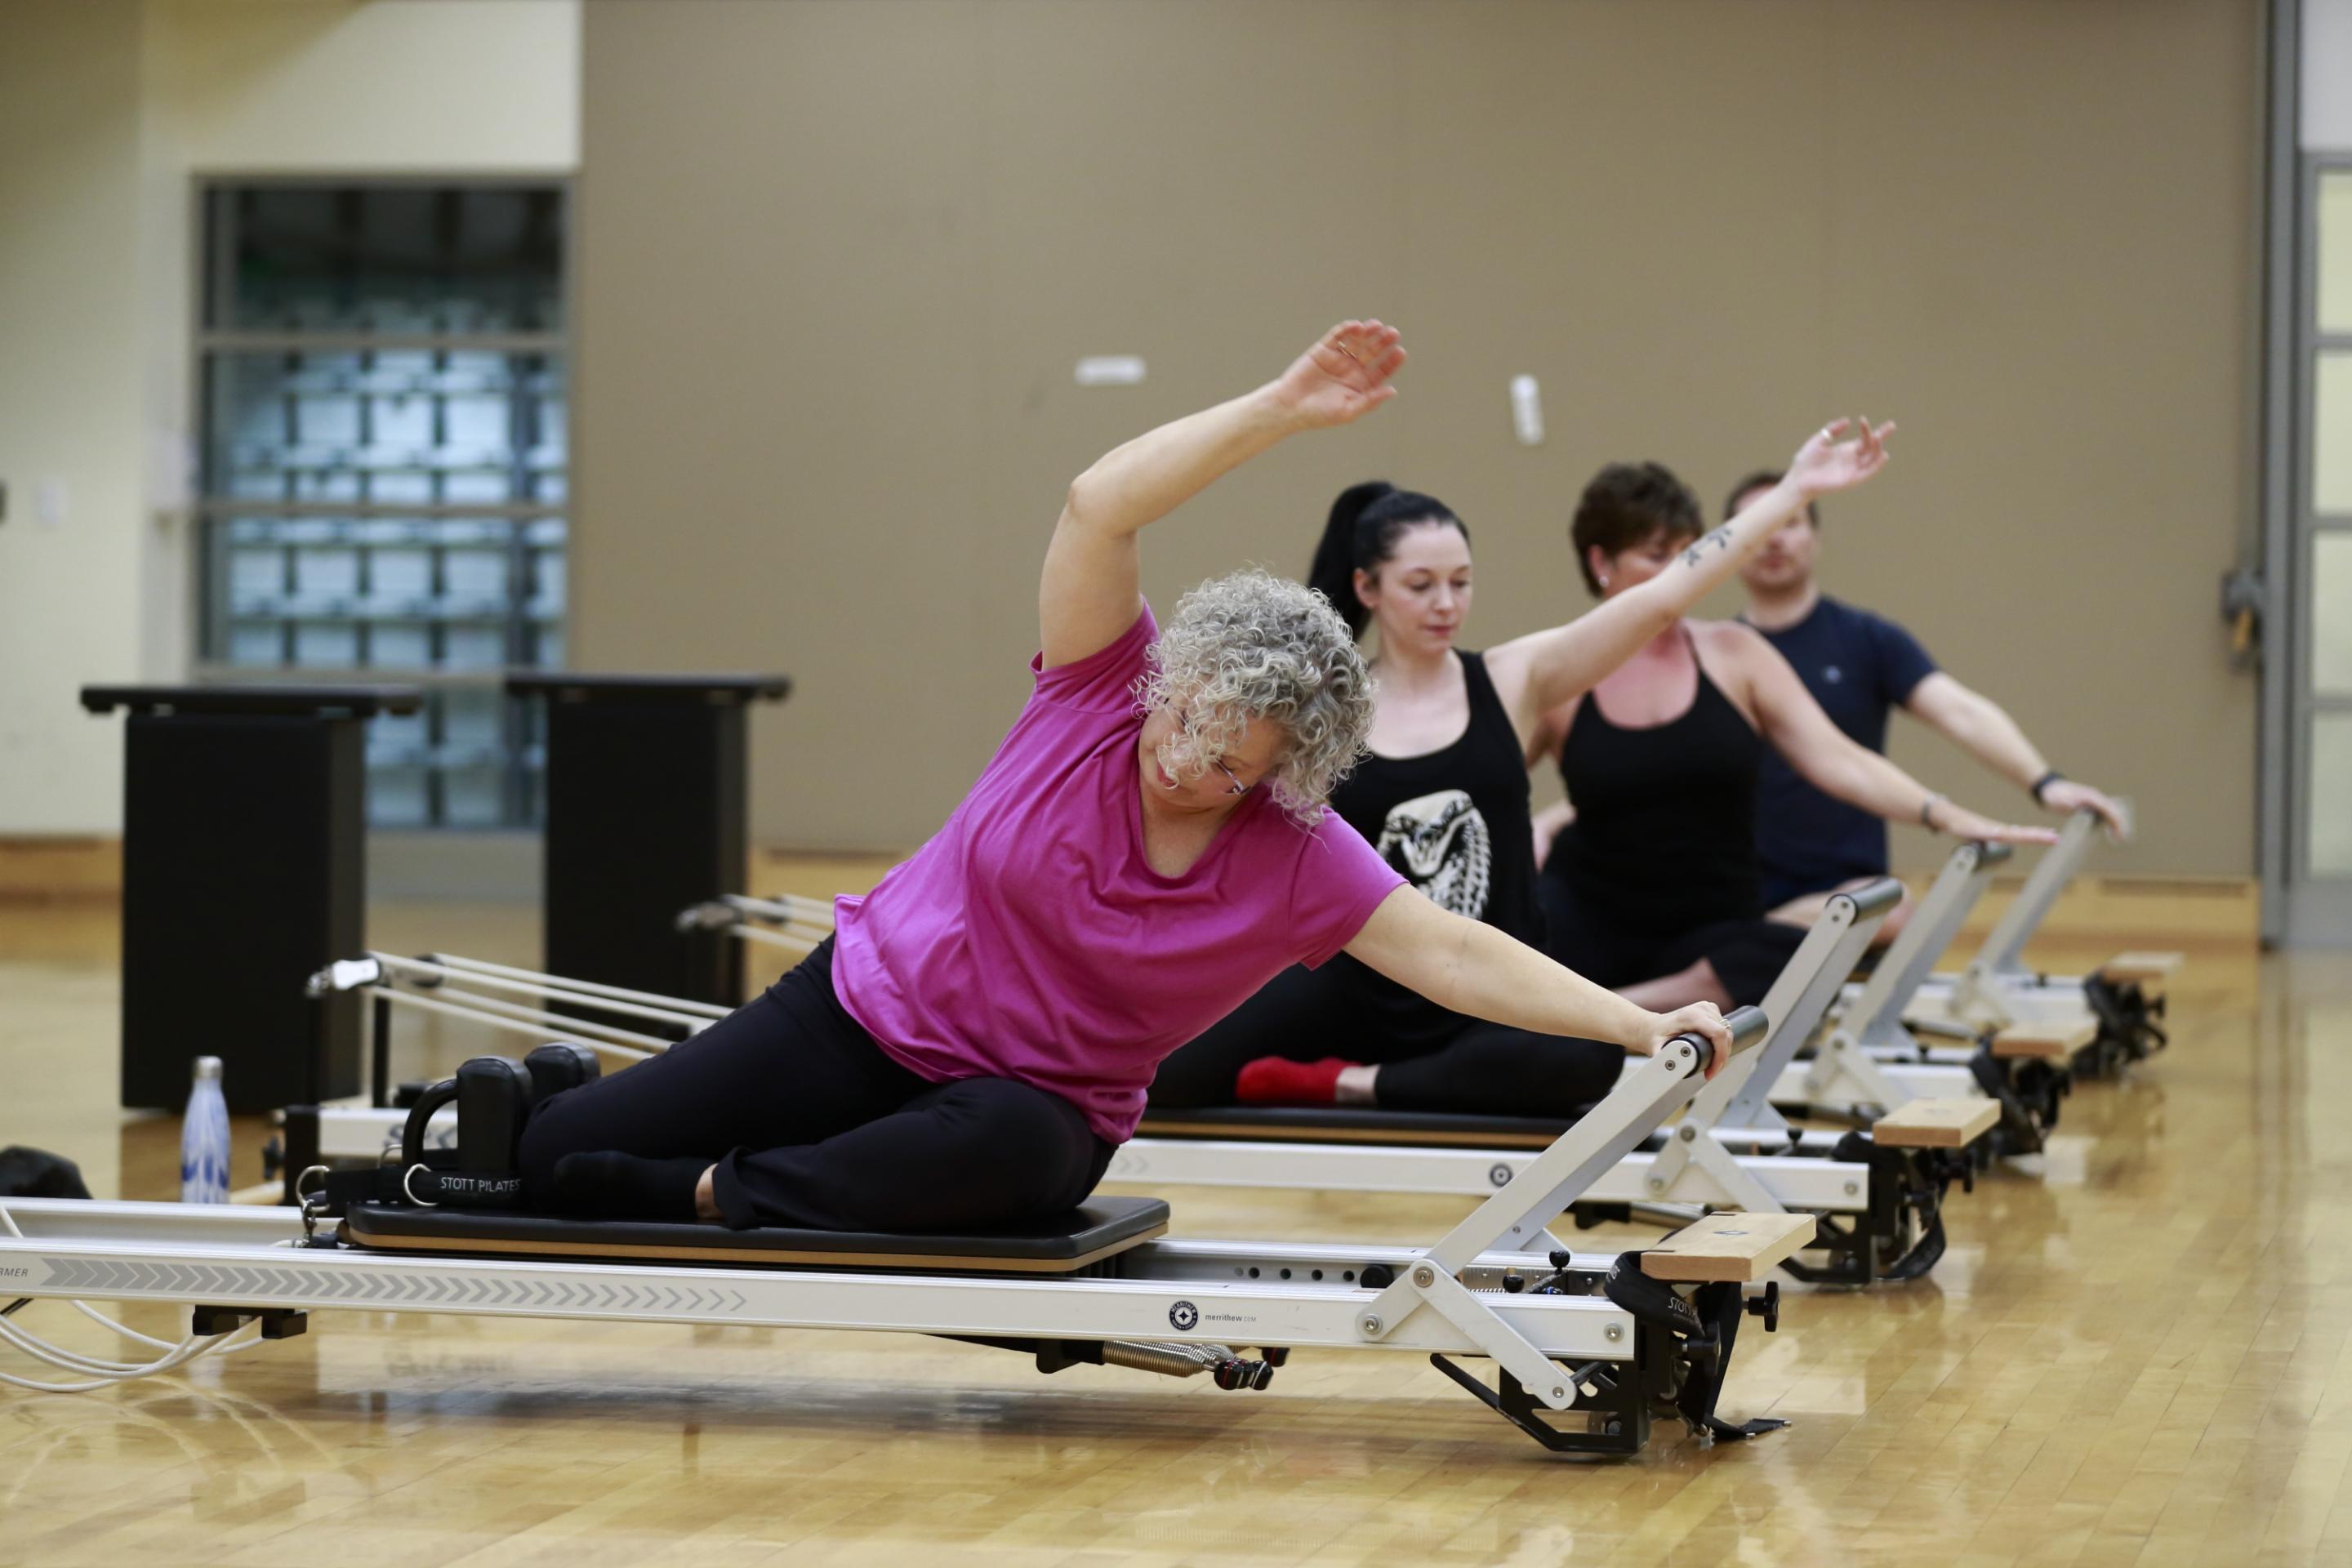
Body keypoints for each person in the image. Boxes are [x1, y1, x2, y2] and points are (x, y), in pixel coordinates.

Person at [514, 320, 1733, 1236]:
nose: (1190, 756)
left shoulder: (1292, 848)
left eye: (1229, 763)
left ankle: (712, 1193)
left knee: (1008, 1158)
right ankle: (610, 1124)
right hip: (863, 1011)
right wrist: (1284, 407)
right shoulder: (1102, 686)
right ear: (1174, 677)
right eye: (1190, 720)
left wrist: (1640, 1023)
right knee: (555, 1154)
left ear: (1280, 776)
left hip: (1029, 1108)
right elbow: (1100, 506)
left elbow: (1455, 952)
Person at [1152, 416, 1897, 1116]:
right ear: (1368, 588)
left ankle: (1349, 1086)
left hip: (1482, 989)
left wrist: (1794, 491)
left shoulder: (1516, 678)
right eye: (1421, 585)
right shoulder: (1322, 713)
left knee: (1584, 1058)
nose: (1446, 603)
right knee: (1169, 1072)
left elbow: (1670, 590)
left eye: (1461, 581)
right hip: (1361, 981)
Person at [1530, 458, 2056, 1012]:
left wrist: (1943, 813)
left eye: (1688, 554)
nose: (1680, 572)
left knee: (1793, 960)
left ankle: (1603, 1014)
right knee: (1517, 931)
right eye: (1658, 555)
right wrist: (1535, 823)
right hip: (1592, 916)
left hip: (1709, 929)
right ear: (1601, 563)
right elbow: (1481, 776)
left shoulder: (1738, 654)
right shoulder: (1557, 670)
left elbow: (1841, 759)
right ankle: (1588, 1015)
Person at [1722, 469, 2132, 934]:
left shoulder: (1865, 639)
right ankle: (1742, 933)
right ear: (1729, 546)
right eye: (1758, 523)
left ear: (1816, 539)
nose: (1774, 538)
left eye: (1790, 523)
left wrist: (2044, 781)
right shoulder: (1718, 653)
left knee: (1891, 910)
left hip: (1846, 890)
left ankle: (1753, 934)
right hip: (1741, 882)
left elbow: (1960, 711)